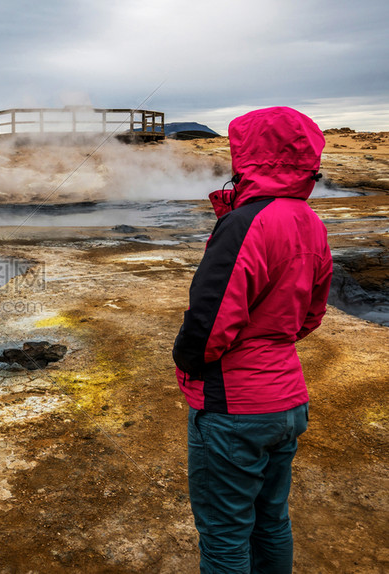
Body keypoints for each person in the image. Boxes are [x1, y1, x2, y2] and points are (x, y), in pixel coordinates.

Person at [172, 106, 333, 573]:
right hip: (286, 400)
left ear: (251, 155)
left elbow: (208, 323)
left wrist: (188, 364)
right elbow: (312, 313)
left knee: (225, 534)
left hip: (234, 407)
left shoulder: (246, 223)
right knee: (270, 520)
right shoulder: (308, 219)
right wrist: (273, 339)